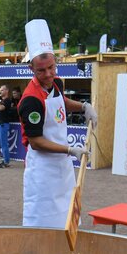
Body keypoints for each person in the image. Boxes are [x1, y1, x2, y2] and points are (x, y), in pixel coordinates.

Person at [18, 20, 97, 227]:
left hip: (62, 163)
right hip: (42, 169)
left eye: (51, 68)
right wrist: (70, 149)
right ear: (31, 69)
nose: (48, 74)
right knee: (43, 221)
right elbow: (36, 142)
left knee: (67, 213)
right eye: (41, 70)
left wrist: (83, 107)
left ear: (56, 63)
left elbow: (61, 102)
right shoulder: (30, 100)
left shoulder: (57, 83)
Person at [0, 84, 19, 168]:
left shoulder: (7, 100)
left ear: (6, 91)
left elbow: (1, 108)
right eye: (0, 90)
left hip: (3, 124)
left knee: (4, 144)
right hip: (0, 123)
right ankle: (4, 160)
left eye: (2, 90)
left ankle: (6, 161)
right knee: (2, 144)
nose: (0, 91)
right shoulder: (1, 100)